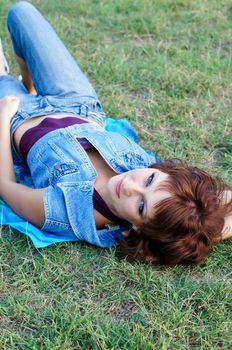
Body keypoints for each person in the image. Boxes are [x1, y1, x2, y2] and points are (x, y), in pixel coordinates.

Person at [0, 1, 231, 266]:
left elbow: (6, 188)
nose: (131, 186)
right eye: (149, 181)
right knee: (22, 13)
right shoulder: (165, 189)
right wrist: (207, 231)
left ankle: (6, 79)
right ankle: (25, 84)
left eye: (141, 207)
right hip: (76, 102)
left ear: (139, 229)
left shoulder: (69, 212)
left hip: (18, 118)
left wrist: (4, 116)